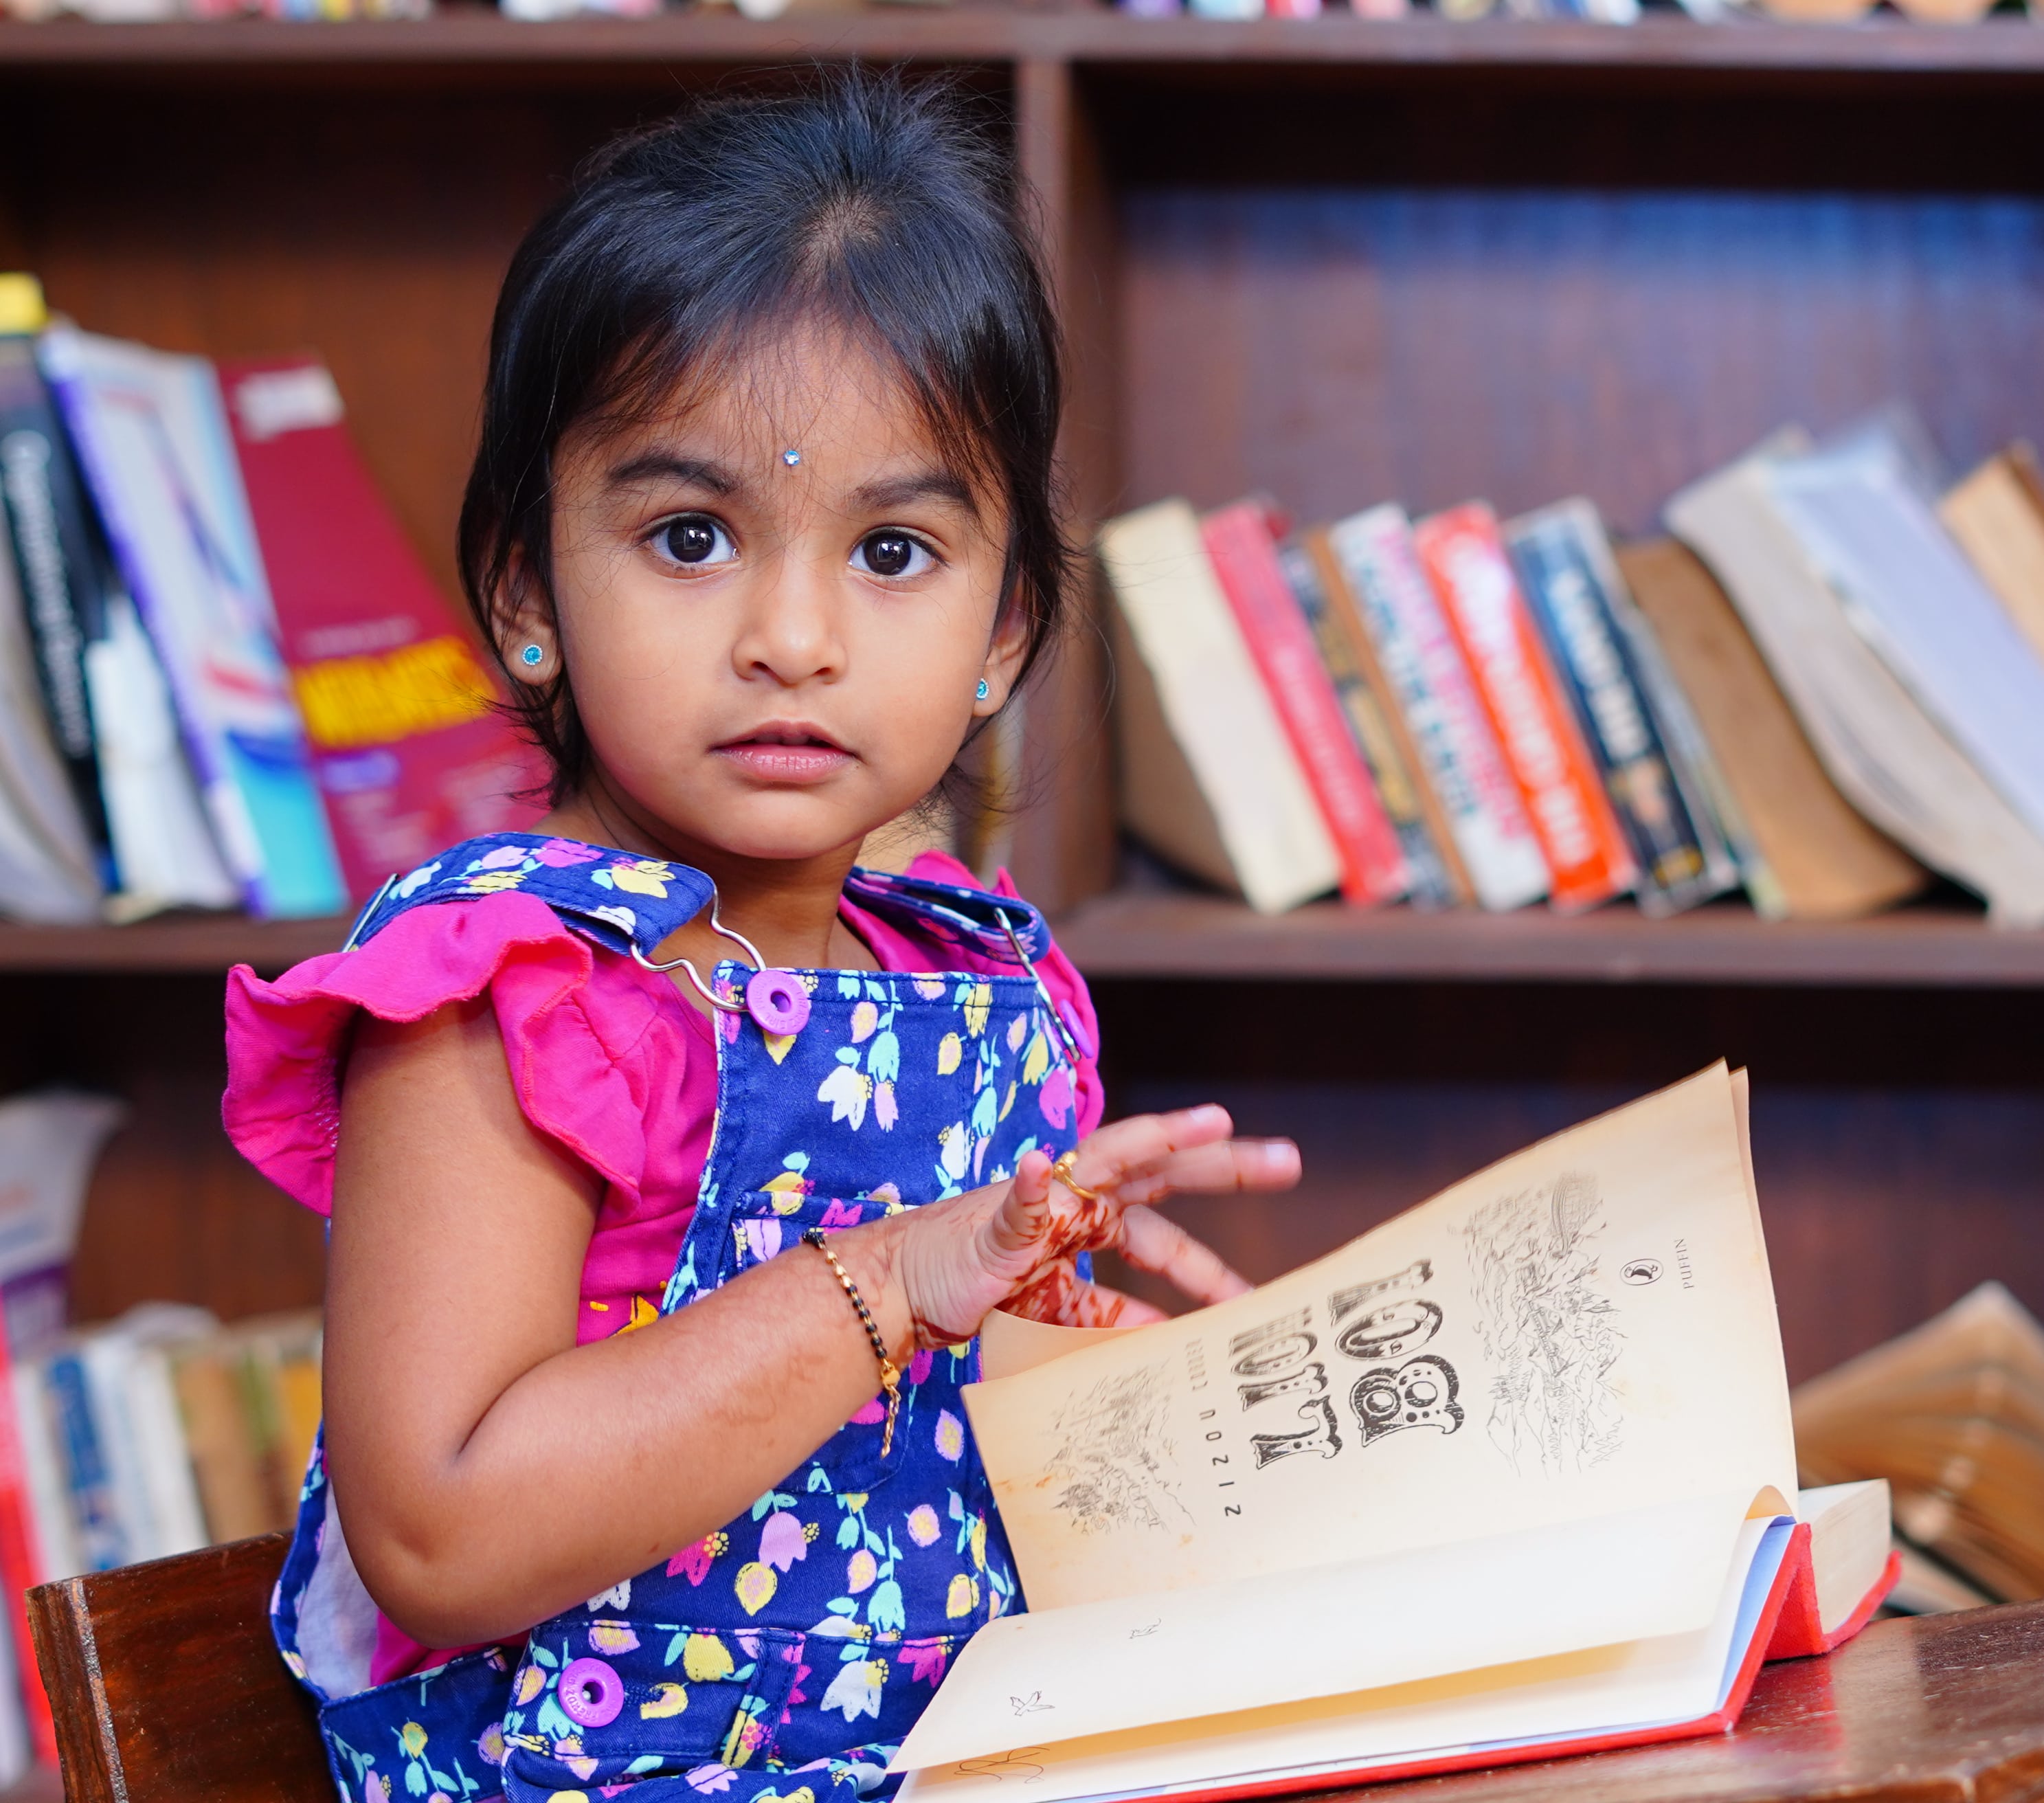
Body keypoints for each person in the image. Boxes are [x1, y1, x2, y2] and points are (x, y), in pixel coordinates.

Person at [221, 74, 1299, 1803]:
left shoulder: (981, 981)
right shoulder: (518, 985)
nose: (792, 636)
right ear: (526, 590)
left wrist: (1129, 1379)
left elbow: (959, 1449)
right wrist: (896, 1279)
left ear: (1003, 633)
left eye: (893, 550)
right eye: (692, 537)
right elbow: (435, 1535)